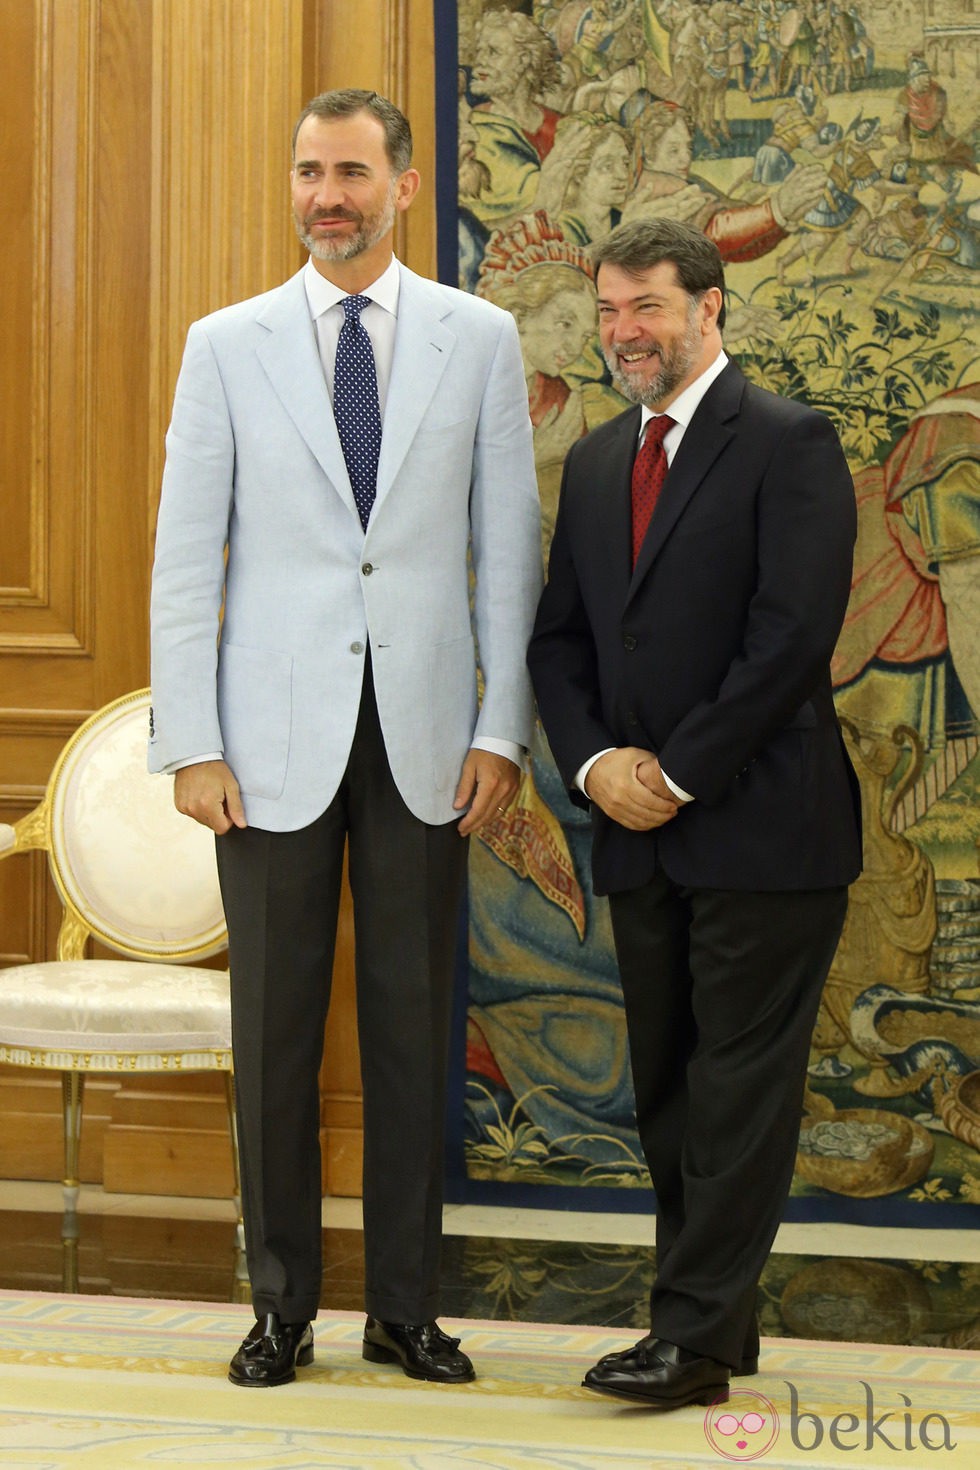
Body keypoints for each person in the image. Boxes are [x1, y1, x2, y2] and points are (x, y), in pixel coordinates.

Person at [149, 89, 541, 1389]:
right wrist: (191, 740)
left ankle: (407, 1310)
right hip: (261, 747)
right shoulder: (226, 344)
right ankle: (280, 1308)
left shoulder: (478, 339)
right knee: (272, 1035)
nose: (330, 193)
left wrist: (501, 724)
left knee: (412, 1029)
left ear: (405, 186)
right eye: (311, 170)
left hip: (430, 737)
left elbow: (506, 551)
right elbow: (183, 560)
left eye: (354, 171)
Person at [527, 218, 862, 1410]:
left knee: (733, 1092)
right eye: (609, 310)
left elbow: (789, 642)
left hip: (764, 828)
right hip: (630, 826)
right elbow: (558, 642)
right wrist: (594, 766)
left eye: (647, 308)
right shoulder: (599, 461)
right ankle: (708, 1329)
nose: (623, 332)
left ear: (708, 309)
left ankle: (689, 1337)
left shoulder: (787, 442)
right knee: (666, 1089)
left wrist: (671, 774)